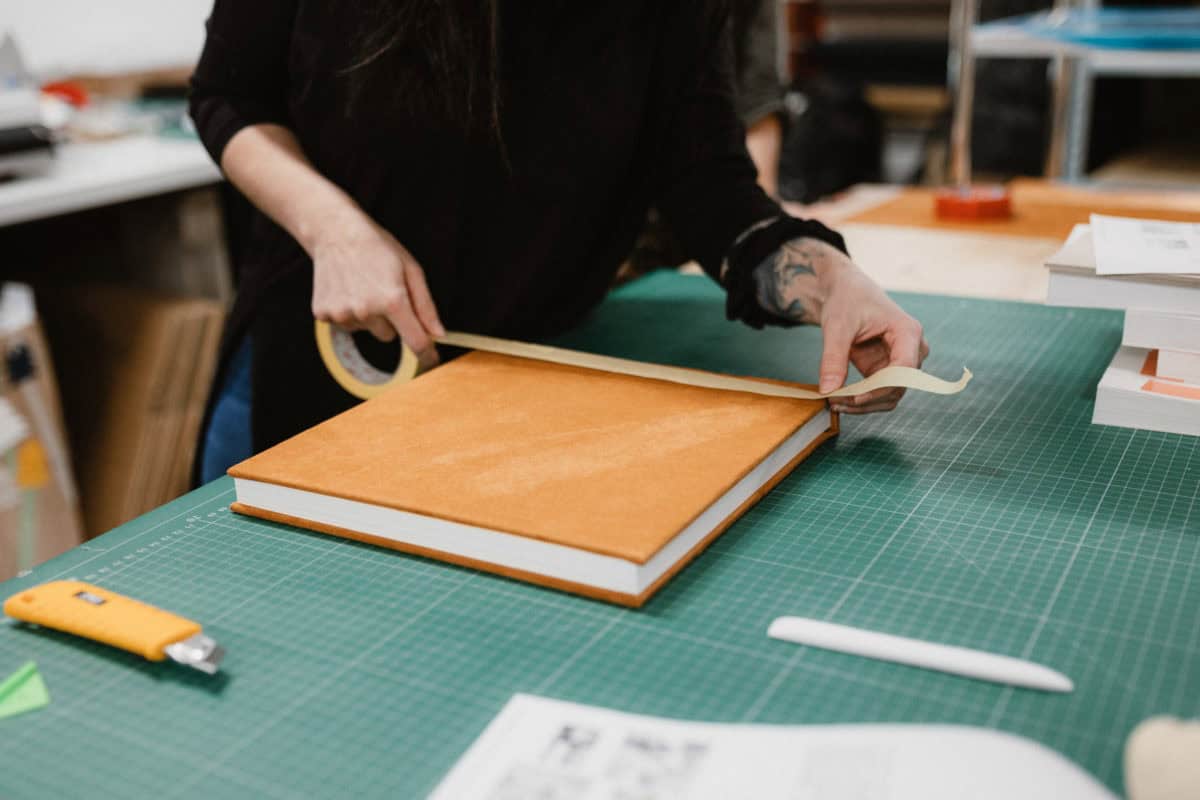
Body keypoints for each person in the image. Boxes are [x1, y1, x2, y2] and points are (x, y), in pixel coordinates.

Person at [190, 1, 929, 484]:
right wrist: (334, 228)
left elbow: (708, 184)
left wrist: (832, 282)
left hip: (524, 380)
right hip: (323, 366)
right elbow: (229, 95)